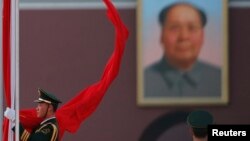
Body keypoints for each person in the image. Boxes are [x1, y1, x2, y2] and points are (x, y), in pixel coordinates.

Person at [144, 2, 221, 97]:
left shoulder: (219, 79)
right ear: (162, 35)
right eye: (174, 28)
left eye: (192, 28)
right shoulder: (143, 80)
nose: (184, 37)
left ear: (202, 36)